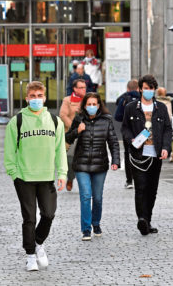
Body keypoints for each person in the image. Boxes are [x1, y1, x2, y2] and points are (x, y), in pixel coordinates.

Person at [4, 81, 66, 271]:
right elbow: (9, 151)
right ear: (27, 98)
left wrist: (62, 173)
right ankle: (30, 255)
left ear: (45, 98)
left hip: (46, 177)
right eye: (33, 96)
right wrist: (14, 173)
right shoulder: (17, 121)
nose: (36, 99)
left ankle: (39, 242)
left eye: (40, 96)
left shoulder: (55, 121)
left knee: (48, 214)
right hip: (24, 177)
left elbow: (60, 150)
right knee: (29, 218)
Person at [121, 75, 172, 235]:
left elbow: (167, 129)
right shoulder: (131, 107)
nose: (149, 91)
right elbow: (125, 128)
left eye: (151, 88)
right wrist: (131, 140)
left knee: (152, 189)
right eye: (146, 88)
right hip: (138, 154)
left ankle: (147, 220)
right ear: (140, 89)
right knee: (141, 188)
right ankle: (141, 219)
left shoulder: (161, 108)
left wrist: (166, 147)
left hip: (156, 154)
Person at [66, 92, 120, 241]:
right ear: (84, 106)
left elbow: (113, 142)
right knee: (85, 196)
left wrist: (116, 160)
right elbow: (67, 137)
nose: (91, 107)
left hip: (99, 165)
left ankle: (96, 223)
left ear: (98, 105)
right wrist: (77, 131)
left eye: (94, 104)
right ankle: (86, 229)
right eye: (88, 104)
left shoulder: (106, 120)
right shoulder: (79, 119)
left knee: (97, 198)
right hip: (81, 164)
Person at [59, 78, 87, 191]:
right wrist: (74, 129)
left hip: (86, 135)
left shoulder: (89, 99)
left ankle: (84, 182)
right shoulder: (67, 100)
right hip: (72, 135)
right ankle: (70, 178)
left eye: (84, 87)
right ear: (75, 89)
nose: (83, 90)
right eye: (81, 87)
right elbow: (63, 115)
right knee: (69, 158)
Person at [114, 79, 141, 189]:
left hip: (127, 131)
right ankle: (140, 179)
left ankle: (129, 180)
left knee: (127, 154)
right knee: (140, 154)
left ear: (128, 89)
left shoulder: (124, 99)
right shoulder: (142, 98)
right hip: (140, 131)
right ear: (139, 88)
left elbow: (117, 116)